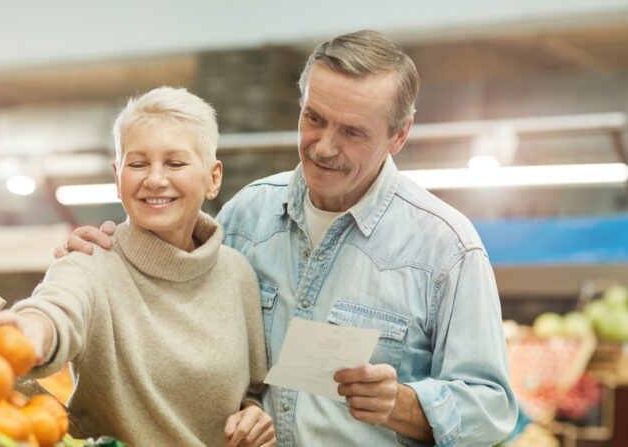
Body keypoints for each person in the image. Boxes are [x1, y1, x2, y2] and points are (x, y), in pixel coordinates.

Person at [58, 30, 518, 446]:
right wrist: (99, 258)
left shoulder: (445, 248)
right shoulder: (245, 218)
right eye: (314, 118)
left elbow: (494, 405)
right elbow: (172, 314)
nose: (323, 146)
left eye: (352, 131)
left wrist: (401, 404)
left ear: (398, 136)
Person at [0, 87, 275, 447]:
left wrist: (254, 415)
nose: (155, 179)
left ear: (213, 178)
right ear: (118, 177)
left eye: (175, 163)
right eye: (137, 164)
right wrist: (27, 330)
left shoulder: (237, 273)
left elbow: (252, 391)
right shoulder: (89, 263)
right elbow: (55, 311)